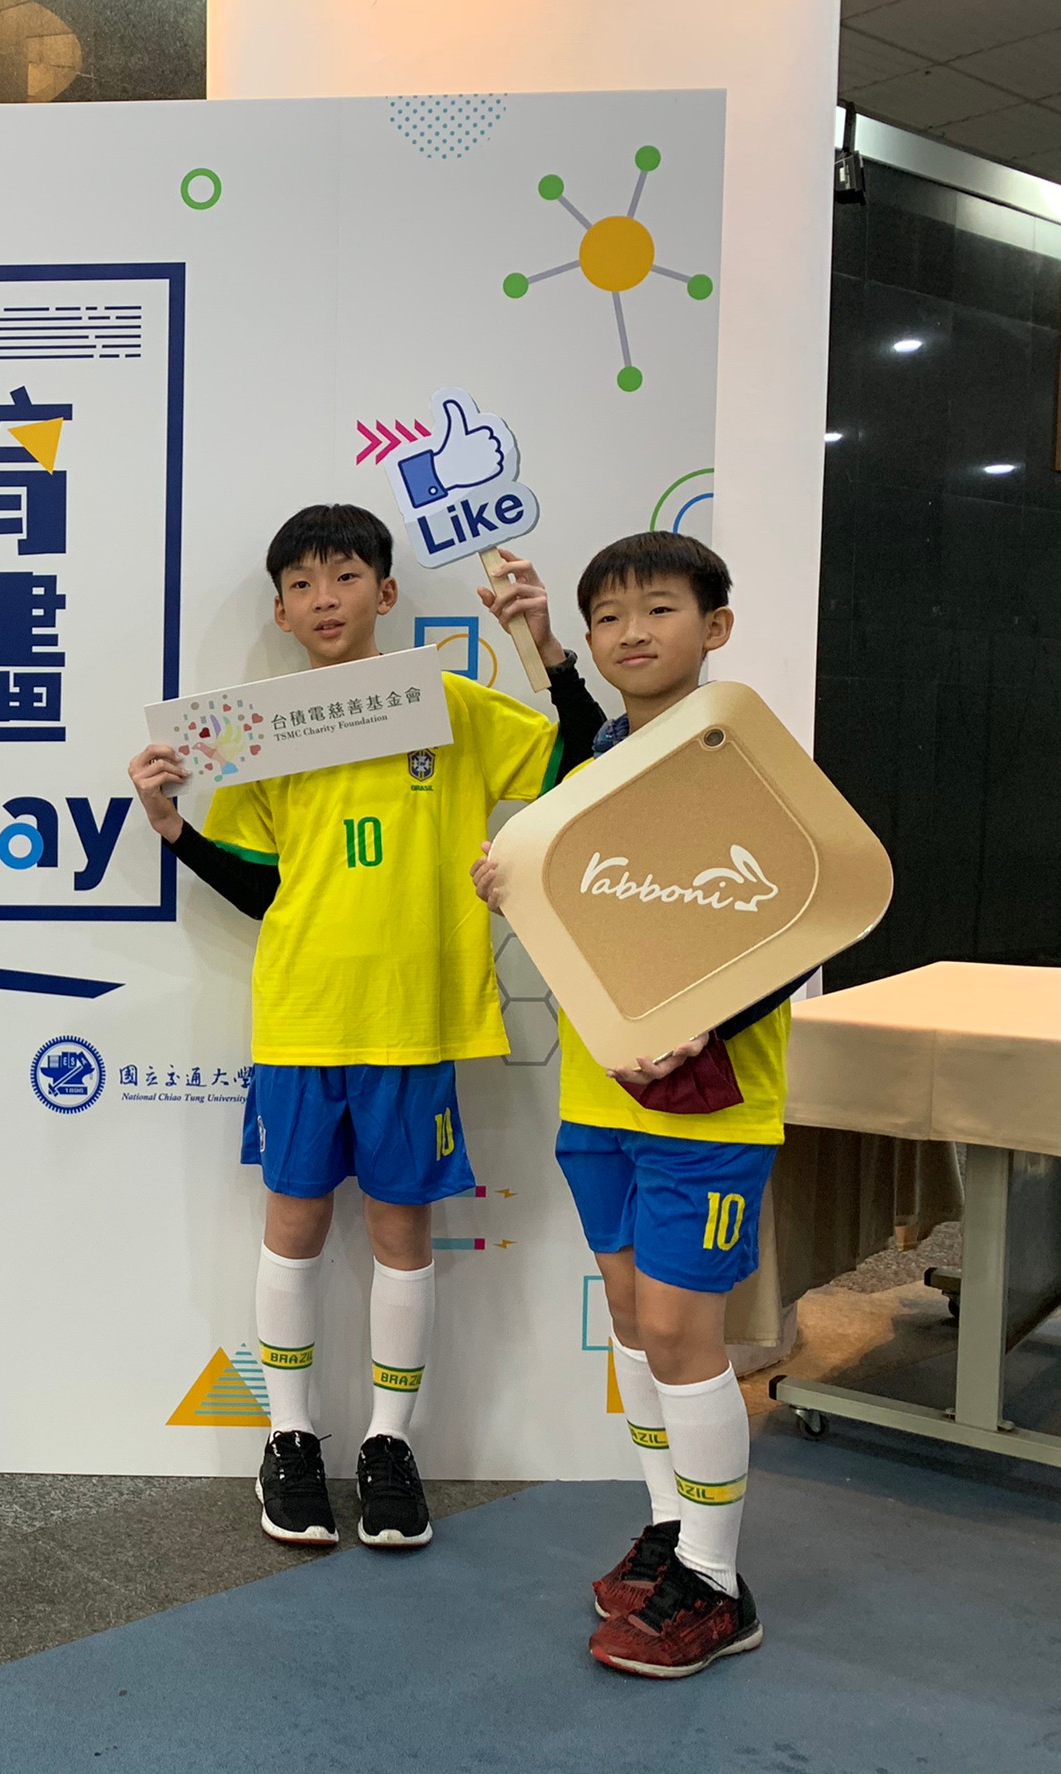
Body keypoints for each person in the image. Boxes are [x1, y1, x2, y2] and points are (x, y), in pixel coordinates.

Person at [128, 504, 602, 1551]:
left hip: (415, 1024)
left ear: (385, 593)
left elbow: (578, 769)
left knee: (402, 1235)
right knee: (292, 1228)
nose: (324, 598)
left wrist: (548, 650)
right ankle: (290, 1436)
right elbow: (266, 891)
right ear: (282, 612)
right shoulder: (260, 734)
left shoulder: (449, 704)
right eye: (301, 584)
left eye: (344, 576)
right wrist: (174, 830)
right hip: (303, 1022)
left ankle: (391, 1441)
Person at [474, 531, 791, 1677]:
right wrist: (514, 880)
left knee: (680, 1331)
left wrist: (713, 1019)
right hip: (599, 1092)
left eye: (659, 608)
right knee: (629, 1317)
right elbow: (577, 872)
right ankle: (671, 1530)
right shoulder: (602, 758)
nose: (632, 632)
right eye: (610, 616)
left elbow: (804, 913)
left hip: (712, 1107)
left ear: (717, 626)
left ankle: (716, 1582)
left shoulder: (744, 762)